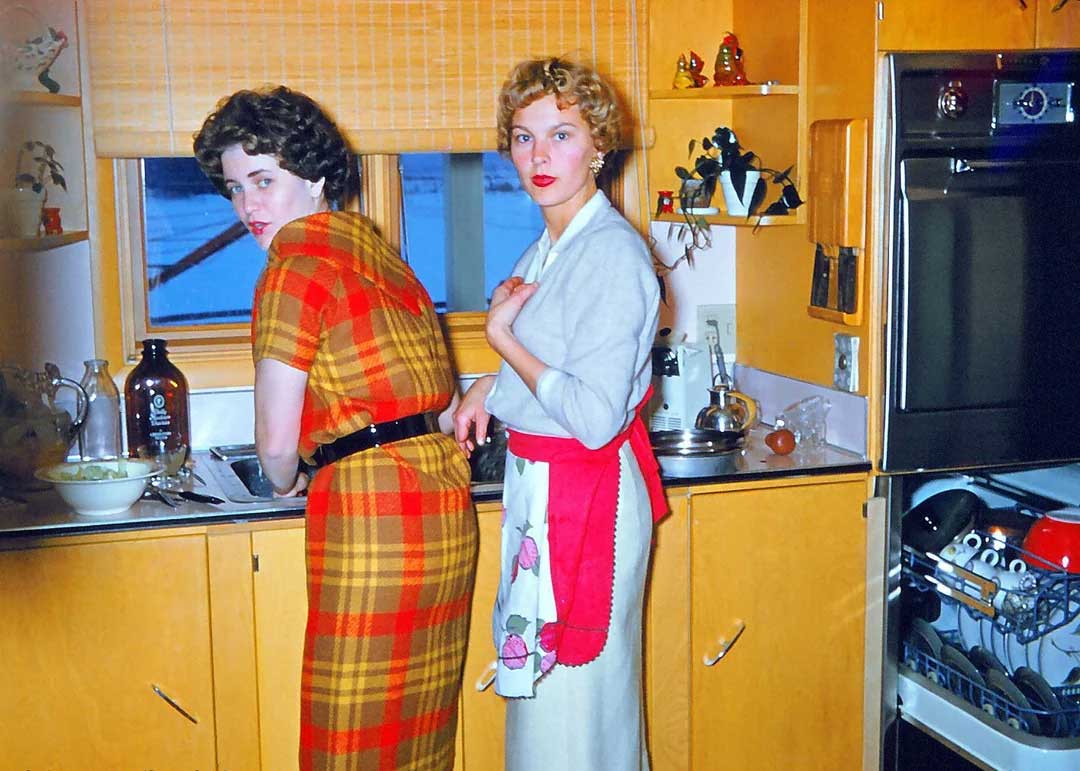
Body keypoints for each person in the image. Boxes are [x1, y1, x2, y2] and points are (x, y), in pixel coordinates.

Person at [194, 86, 477, 770]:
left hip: (372, 516)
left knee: (345, 737)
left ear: (316, 175)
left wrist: (287, 480)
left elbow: (274, 443)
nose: (249, 206)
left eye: (264, 180)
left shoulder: (292, 267)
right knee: (418, 735)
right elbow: (428, 398)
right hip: (443, 511)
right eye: (236, 188)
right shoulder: (388, 262)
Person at [453, 58, 666, 770]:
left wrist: (503, 340)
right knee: (548, 713)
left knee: (581, 711)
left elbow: (594, 415)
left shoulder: (611, 255)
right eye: (523, 136)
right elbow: (554, 359)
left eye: (562, 134)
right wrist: (491, 381)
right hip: (547, 497)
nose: (538, 156)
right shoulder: (551, 246)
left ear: (600, 145)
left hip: (587, 500)